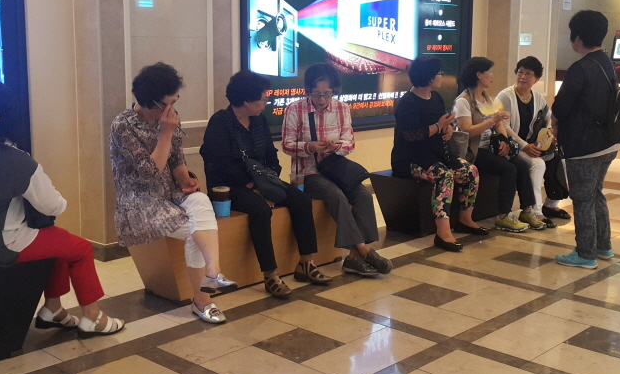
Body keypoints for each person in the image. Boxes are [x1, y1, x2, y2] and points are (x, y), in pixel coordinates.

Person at [0, 81, 124, 337]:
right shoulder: (15, 160)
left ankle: (53, 309)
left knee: (58, 242)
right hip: (2, 243)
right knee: (81, 249)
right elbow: (54, 205)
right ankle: (92, 317)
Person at [110, 63, 237, 324]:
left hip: (170, 193)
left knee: (201, 200)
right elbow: (149, 172)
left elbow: (176, 159)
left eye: (174, 101)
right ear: (151, 102)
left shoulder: (168, 116)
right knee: (194, 231)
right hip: (140, 203)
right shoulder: (123, 125)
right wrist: (166, 133)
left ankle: (213, 271)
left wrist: (184, 178)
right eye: (168, 103)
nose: (172, 108)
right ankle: (202, 300)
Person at [201, 70, 331, 298]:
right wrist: (257, 189)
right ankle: (270, 274)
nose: (265, 103)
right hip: (229, 187)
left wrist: (270, 183)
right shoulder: (220, 122)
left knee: (301, 200)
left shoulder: (259, 120)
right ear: (246, 101)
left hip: (262, 180)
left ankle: (306, 262)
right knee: (260, 209)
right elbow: (222, 165)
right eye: (262, 99)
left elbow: (271, 155)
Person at [282, 64, 392, 277]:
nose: (322, 99)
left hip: (337, 171)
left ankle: (352, 258)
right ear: (308, 90)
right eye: (316, 94)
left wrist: (336, 147)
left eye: (327, 93)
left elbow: (350, 143)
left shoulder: (342, 109)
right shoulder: (295, 109)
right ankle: (363, 250)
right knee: (337, 196)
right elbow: (287, 145)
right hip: (309, 174)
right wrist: (309, 147)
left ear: (334, 90)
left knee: (363, 195)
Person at [392, 56, 486, 252]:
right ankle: (443, 232)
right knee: (444, 176)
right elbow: (410, 135)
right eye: (438, 73)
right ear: (428, 77)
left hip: (436, 154)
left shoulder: (436, 97)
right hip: (411, 158)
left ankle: (465, 219)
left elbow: (442, 124)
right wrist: (438, 125)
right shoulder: (408, 102)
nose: (441, 76)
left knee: (470, 171)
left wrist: (447, 128)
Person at [553, 10, 620, 269]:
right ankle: (603, 246)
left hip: (584, 144)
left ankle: (585, 253)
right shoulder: (606, 62)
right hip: (608, 141)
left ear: (578, 37)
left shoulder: (580, 68)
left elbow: (561, 106)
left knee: (582, 198)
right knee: (595, 192)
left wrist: (555, 122)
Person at [455, 57, 544, 233]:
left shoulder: (488, 99)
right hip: (475, 150)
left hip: (491, 147)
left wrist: (504, 141)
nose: (492, 76)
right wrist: (492, 121)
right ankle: (504, 216)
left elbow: (499, 125)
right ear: (478, 75)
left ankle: (527, 210)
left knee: (522, 165)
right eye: (489, 72)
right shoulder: (463, 101)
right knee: (508, 169)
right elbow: (467, 130)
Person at [495, 56, 569, 228]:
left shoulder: (537, 98)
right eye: (520, 72)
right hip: (513, 147)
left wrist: (549, 134)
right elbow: (504, 126)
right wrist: (524, 146)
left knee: (560, 159)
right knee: (537, 164)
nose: (523, 77)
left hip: (532, 145)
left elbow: (548, 118)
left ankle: (552, 204)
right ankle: (534, 211)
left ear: (536, 79)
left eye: (528, 73)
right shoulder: (505, 96)